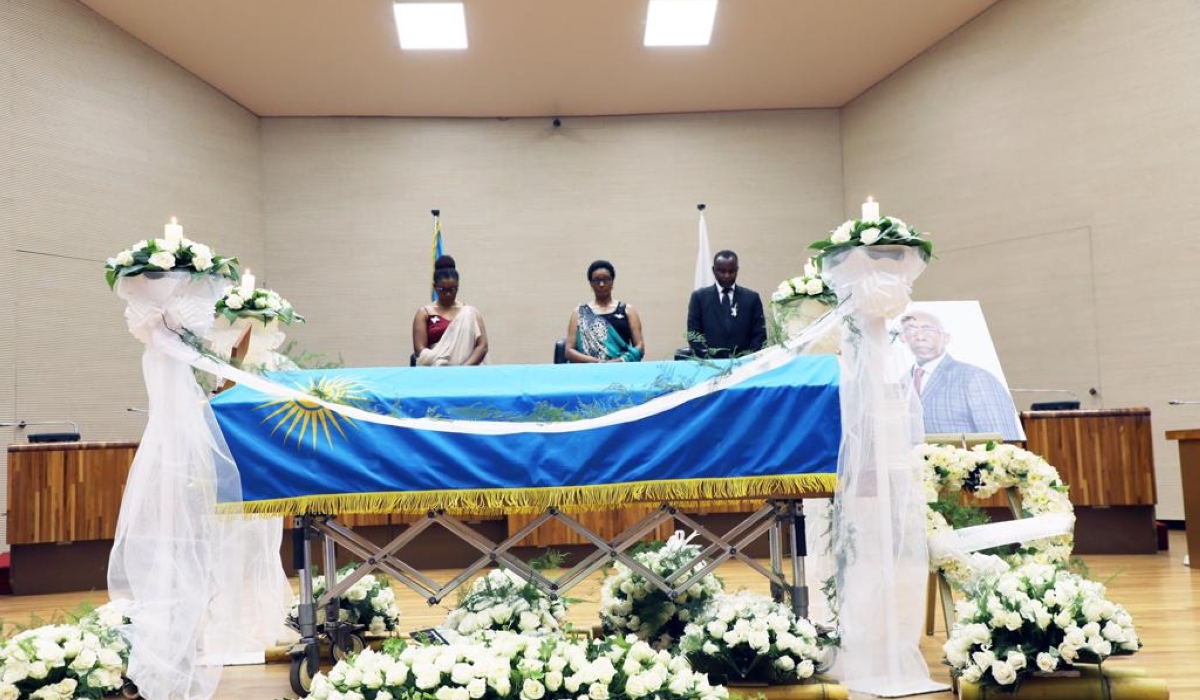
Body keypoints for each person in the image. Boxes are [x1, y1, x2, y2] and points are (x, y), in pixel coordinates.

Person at [900, 309, 1021, 439]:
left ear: (946, 338)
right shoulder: (902, 382)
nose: (919, 337)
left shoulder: (975, 378)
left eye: (927, 329)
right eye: (910, 330)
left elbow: (1004, 440)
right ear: (902, 337)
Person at [687, 250, 767, 358]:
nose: (727, 275)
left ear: (737, 270)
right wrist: (709, 360)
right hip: (710, 365)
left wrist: (748, 358)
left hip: (745, 366)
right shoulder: (699, 298)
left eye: (731, 271)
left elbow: (760, 335)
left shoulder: (751, 298)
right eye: (722, 271)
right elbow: (693, 334)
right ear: (713, 270)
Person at [412, 255, 488, 366]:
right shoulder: (424, 313)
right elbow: (420, 350)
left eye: (452, 290)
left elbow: (482, 345)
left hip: (466, 371)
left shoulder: (470, 313)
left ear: (458, 287)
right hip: (435, 371)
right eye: (442, 289)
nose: (447, 294)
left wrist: (463, 369)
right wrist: (439, 362)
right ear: (434, 287)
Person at [565, 260, 645, 363]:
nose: (602, 284)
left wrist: (619, 361)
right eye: (597, 280)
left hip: (622, 369)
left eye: (606, 279)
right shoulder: (579, 313)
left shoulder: (628, 310)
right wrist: (596, 362)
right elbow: (569, 351)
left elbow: (640, 347)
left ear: (612, 282)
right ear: (591, 283)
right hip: (589, 371)